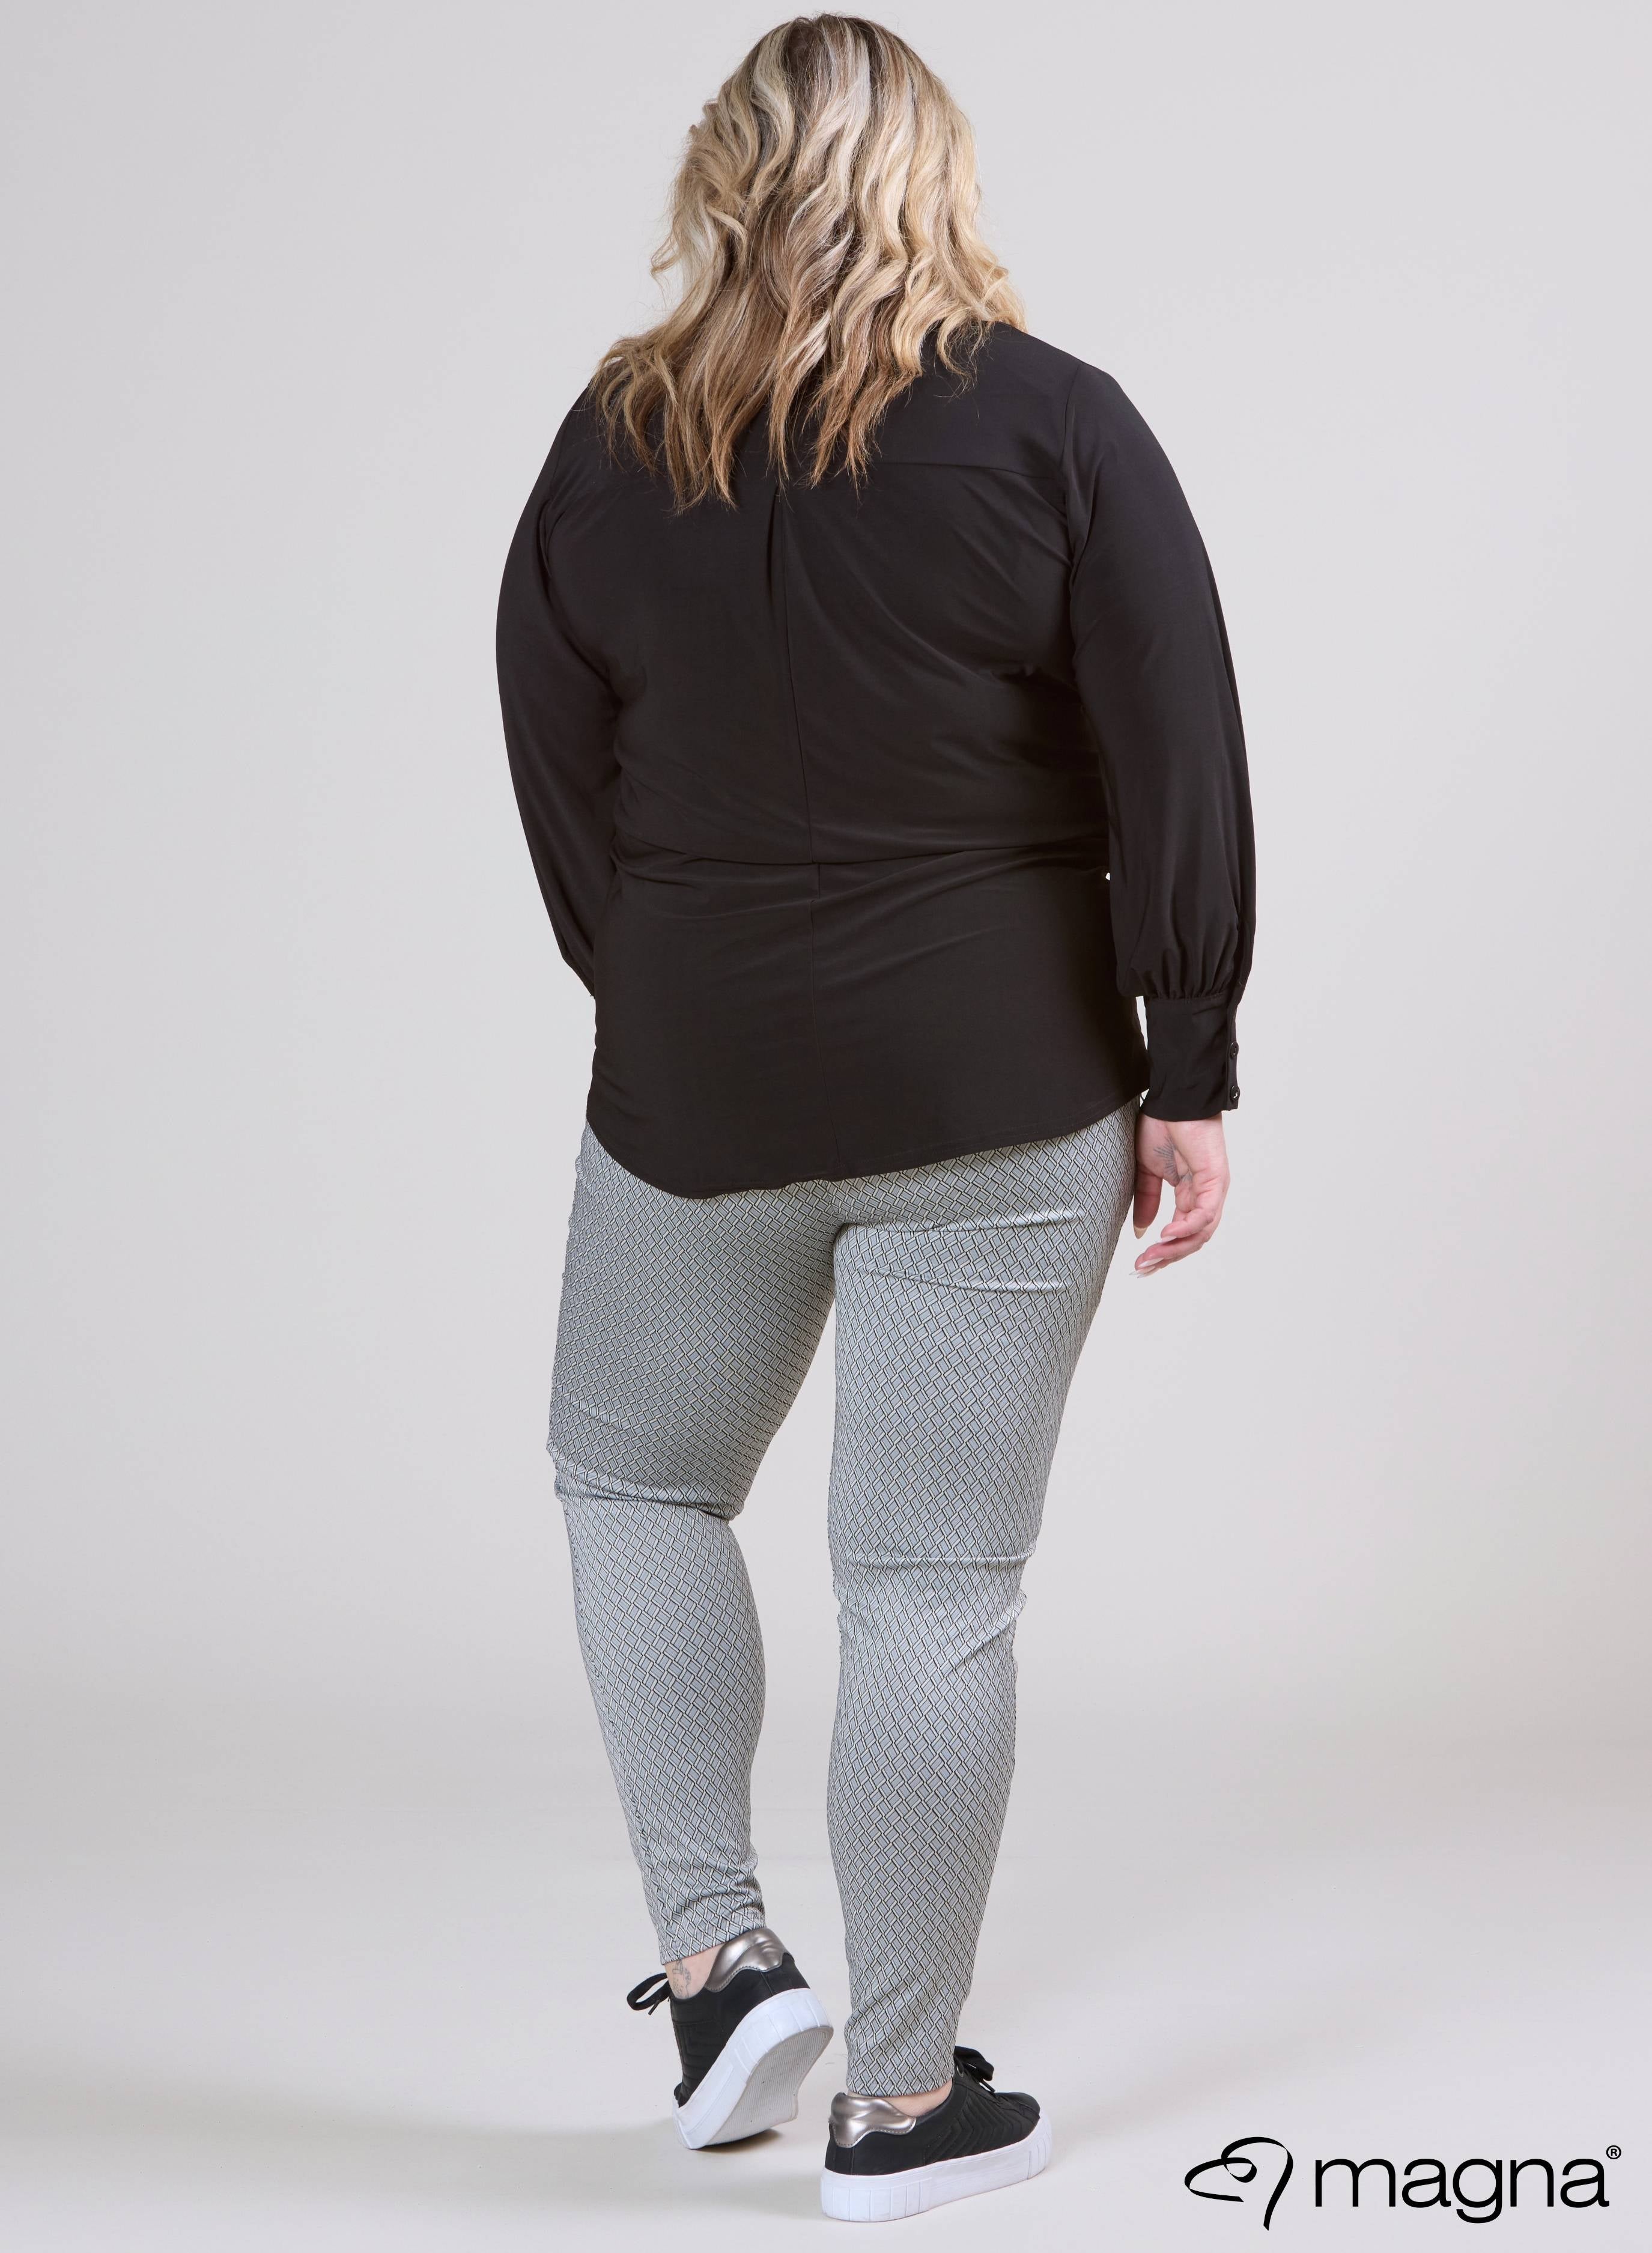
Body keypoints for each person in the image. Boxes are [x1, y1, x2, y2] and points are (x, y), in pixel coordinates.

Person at [495, 12, 1253, 2224]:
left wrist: (665, 984)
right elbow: (1178, 746)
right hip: (1002, 1085)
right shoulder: (1059, 424)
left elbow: (554, 760)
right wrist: (1188, 1061)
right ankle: (903, 2111)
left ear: (718, 179)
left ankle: (718, 1967)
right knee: (930, 1583)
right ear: (940, 175)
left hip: (693, 1082)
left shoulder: (613, 439)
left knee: (637, 1484)